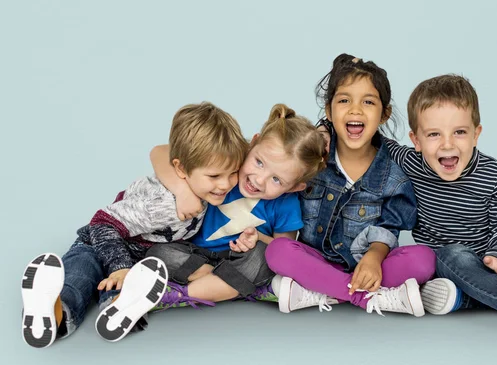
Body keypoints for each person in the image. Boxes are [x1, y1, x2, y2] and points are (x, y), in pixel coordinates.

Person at [321, 74, 497, 332]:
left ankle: (462, 299)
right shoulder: (410, 162)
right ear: (416, 141)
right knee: (454, 254)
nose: (448, 144)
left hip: (486, 266)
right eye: (433, 135)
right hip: (439, 263)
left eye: (460, 132)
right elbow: (370, 134)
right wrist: (324, 128)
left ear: (476, 134)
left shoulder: (493, 174)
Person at [20, 102, 248, 347]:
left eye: (232, 172)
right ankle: (52, 308)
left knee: (124, 290)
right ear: (181, 169)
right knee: (81, 274)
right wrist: (120, 265)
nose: (226, 184)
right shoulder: (164, 205)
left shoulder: (202, 186)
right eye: (214, 176)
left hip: (138, 258)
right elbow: (101, 222)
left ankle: (114, 310)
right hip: (98, 244)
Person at [265, 54, 436, 316]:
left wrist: (374, 257)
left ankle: (318, 291)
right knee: (278, 251)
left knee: (424, 260)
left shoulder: (393, 174)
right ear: (329, 111)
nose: (355, 110)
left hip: (371, 266)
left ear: (384, 114)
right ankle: (364, 297)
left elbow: (388, 229)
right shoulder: (311, 157)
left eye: (368, 102)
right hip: (316, 260)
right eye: (344, 100)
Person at [146, 103, 328, 308]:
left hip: (242, 260)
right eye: (259, 162)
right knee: (159, 253)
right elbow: (160, 152)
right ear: (252, 143)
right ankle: (225, 286)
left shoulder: (287, 205)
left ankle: (176, 296)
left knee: (262, 260)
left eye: (276, 179)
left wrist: (258, 238)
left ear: (295, 187)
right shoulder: (230, 157)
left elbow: (284, 251)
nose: (259, 180)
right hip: (195, 253)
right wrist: (182, 191)